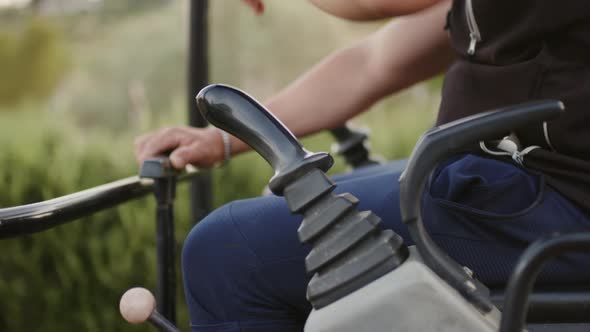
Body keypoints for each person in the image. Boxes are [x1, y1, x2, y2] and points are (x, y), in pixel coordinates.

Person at [134, 1, 590, 331]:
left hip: (549, 200)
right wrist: (221, 139)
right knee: (275, 210)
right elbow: (372, 63)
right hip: (511, 186)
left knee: (225, 251)